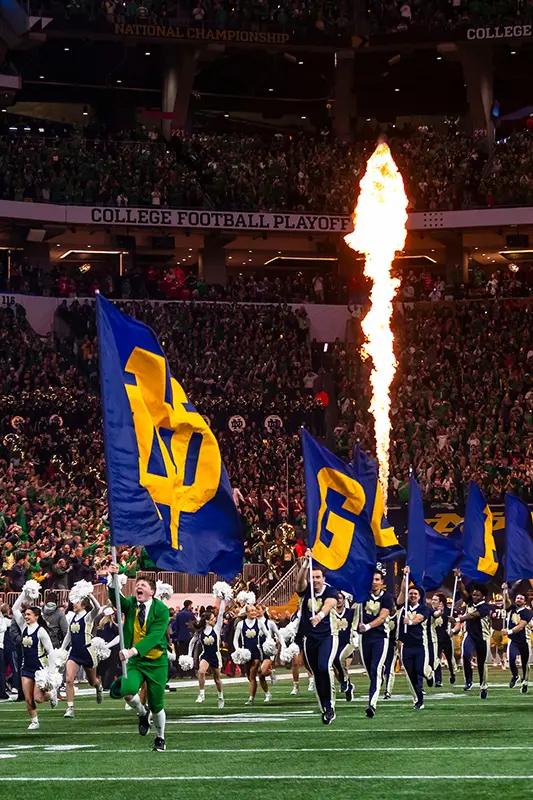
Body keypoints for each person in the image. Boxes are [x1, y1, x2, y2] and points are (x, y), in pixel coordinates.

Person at [108, 562, 170, 752]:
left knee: (157, 703)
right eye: (137, 585)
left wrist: (132, 651)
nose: (139, 587)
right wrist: (113, 579)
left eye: (143, 585)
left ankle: (160, 737)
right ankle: (142, 713)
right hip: (135, 661)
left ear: (152, 592)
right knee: (126, 691)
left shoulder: (161, 610)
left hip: (156, 661)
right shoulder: (132, 604)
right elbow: (116, 599)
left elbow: (154, 637)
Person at [295, 549, 338, 725]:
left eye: (318, 577)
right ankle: (325, 708)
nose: (315, 580)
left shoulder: (330, 591)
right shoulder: (306, 591)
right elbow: (298, 584)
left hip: (327, 636)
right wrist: (305, 563)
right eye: (312, 577)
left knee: (323, 667)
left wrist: (320, 616)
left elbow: (330, 603)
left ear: (324, 578)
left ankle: (331, 706)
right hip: (309, 638)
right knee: (315, 672)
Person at [12, 594, 57, 729]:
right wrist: (24, 593)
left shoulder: (41, 631)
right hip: (26, 667)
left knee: (38, 698)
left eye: (29, 615)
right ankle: (34, 721)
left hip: (39, 668)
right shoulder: (23, 627)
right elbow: (14, 609)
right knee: (28, 697)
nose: (26, 617)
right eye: (25, 614)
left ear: (36, 616)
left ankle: (51, 695)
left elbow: (51, 651)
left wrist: (51, 671)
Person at [357, 569, 394, 718]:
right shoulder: (363, 595)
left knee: (374, 670)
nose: (374, 582)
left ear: (382, 582)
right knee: (370, 672)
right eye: (372, 579)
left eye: (377, 579)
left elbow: (382, 616)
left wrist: (367, 626)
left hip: (380, 637)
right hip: (364, 639)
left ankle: (372, 704)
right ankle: (379, 676)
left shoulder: (387, 598)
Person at [61, 592, 103, 718]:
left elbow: (98, 608)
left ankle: (98, 686)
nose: (74, 604)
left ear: (83, 604)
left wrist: (90, 595)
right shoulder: (72, 618)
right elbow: (69, 635)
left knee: (92, 681)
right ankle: (70, 708)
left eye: (77, 602)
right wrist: (62, 650)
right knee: (69, 679)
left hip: (87, 652)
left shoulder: (87, 617)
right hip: (74, 653)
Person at [452, 569, 491, 699]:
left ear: (483, 596)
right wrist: (458, 579)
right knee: (466, 655)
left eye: (477, 595)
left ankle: (483, 686)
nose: (474, 597)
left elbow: (472, 615)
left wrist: (458, 619)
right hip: (470, 635)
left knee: (482, 663)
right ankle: (468, 680)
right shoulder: (469, 601)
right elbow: (463, 591)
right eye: (473, 595)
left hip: (482, 637)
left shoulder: (485, 607)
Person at [397, 571, 429, 710]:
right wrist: (405, 577)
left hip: (419, 645)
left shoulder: (423, 608)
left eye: (415, 594)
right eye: (411, 593)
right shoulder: (402, 607)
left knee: (419, 670)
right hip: (406, 646)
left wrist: (409, 622)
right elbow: (403, 592)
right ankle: (419, 700)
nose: (412, 595)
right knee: (411, 675)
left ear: (419, 596)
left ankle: (430, 674)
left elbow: (419, 619)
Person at [190, 599, 226, 708]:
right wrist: (188, 655)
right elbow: (192, 643)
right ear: (206, 621)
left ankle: (220, 697)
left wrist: (223, 599)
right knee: (201, 672)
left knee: (217, 679)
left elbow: (221, 614)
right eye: (212, 619)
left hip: (215, 656)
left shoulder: (216, 629)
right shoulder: (200, 632)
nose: (214, 620)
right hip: (205, 655)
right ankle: (201, 694)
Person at [233, 604, 269, 705]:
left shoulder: (260, 623)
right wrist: (238, 650)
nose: (254, 612)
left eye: (255, 610)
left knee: (252, 675)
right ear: (247, 613)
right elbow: (235, 639)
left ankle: (251, 698)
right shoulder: (241, 624)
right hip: (246, 654)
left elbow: (268, 635)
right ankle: (266, 691)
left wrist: (268, 643)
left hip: (256, 652)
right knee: (250, 676)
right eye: (251, 611)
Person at [502, 583, 533, 693]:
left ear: (525, 602)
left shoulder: (528, 613)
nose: (519, 599)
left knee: (525, 664)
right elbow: (506, 603)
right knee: (511, 659)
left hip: (525, 640)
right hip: (514, 640)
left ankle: (525, 682)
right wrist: (505, 591)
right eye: (517, 598)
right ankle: (515, 676)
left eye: (521, 598)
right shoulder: (511, 609)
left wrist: (508, 631)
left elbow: (520, 626)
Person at [331, 592, 357, 702]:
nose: (338, 600)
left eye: (340, 598)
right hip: (334, 643)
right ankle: (347, 686)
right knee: (336, 669)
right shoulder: (330, 613)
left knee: (339, 658)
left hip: (348, 642)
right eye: (336, 598)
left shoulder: (350, 612)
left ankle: (345, 681)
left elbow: (358, 608)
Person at [257, 603, 283, 692]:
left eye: (258, 609)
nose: (256, 611)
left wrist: (283, 645)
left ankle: (271, 672)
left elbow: (278, 634)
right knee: (260, 675)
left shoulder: (270, 623)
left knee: (263, 671)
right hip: (257, 649)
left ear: (264, 611)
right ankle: (267, 693)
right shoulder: (254, 622)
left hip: (268, 650)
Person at [432, 593, 456, 686]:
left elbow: (456, 624)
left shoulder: (449, 612)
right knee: (436, 658)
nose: (433, 601)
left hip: (445, 638)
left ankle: (452, 673)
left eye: (435, 600)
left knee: (449, 658)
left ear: (440, 602)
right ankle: (438, 680)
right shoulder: (429, 611)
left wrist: (453, 629)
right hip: (435, 639)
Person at [96, 607, 121, 690]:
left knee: (104, 666)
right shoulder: (112, 625)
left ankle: (104, 684)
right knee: (111, 666)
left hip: (102, 649)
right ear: (111, 615)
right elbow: (119, 634)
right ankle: (108, 684)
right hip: (112, 649)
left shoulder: (100, 625)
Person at [382, 599, 398, 700]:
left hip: (392, 644)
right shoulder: (383, 615)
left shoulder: (399, 615)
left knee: (390, 667)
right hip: (382, 642)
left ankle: (388, 691)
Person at [172, 599, 196, 665]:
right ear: (189, 605)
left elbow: (177, 627)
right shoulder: (191, 614)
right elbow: (194, 625)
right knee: (189, 653)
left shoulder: (179, 614)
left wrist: (176, 636)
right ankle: (190, 670)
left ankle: (181, 671)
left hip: (181, 637)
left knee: (181, 654)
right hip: (189, 636)